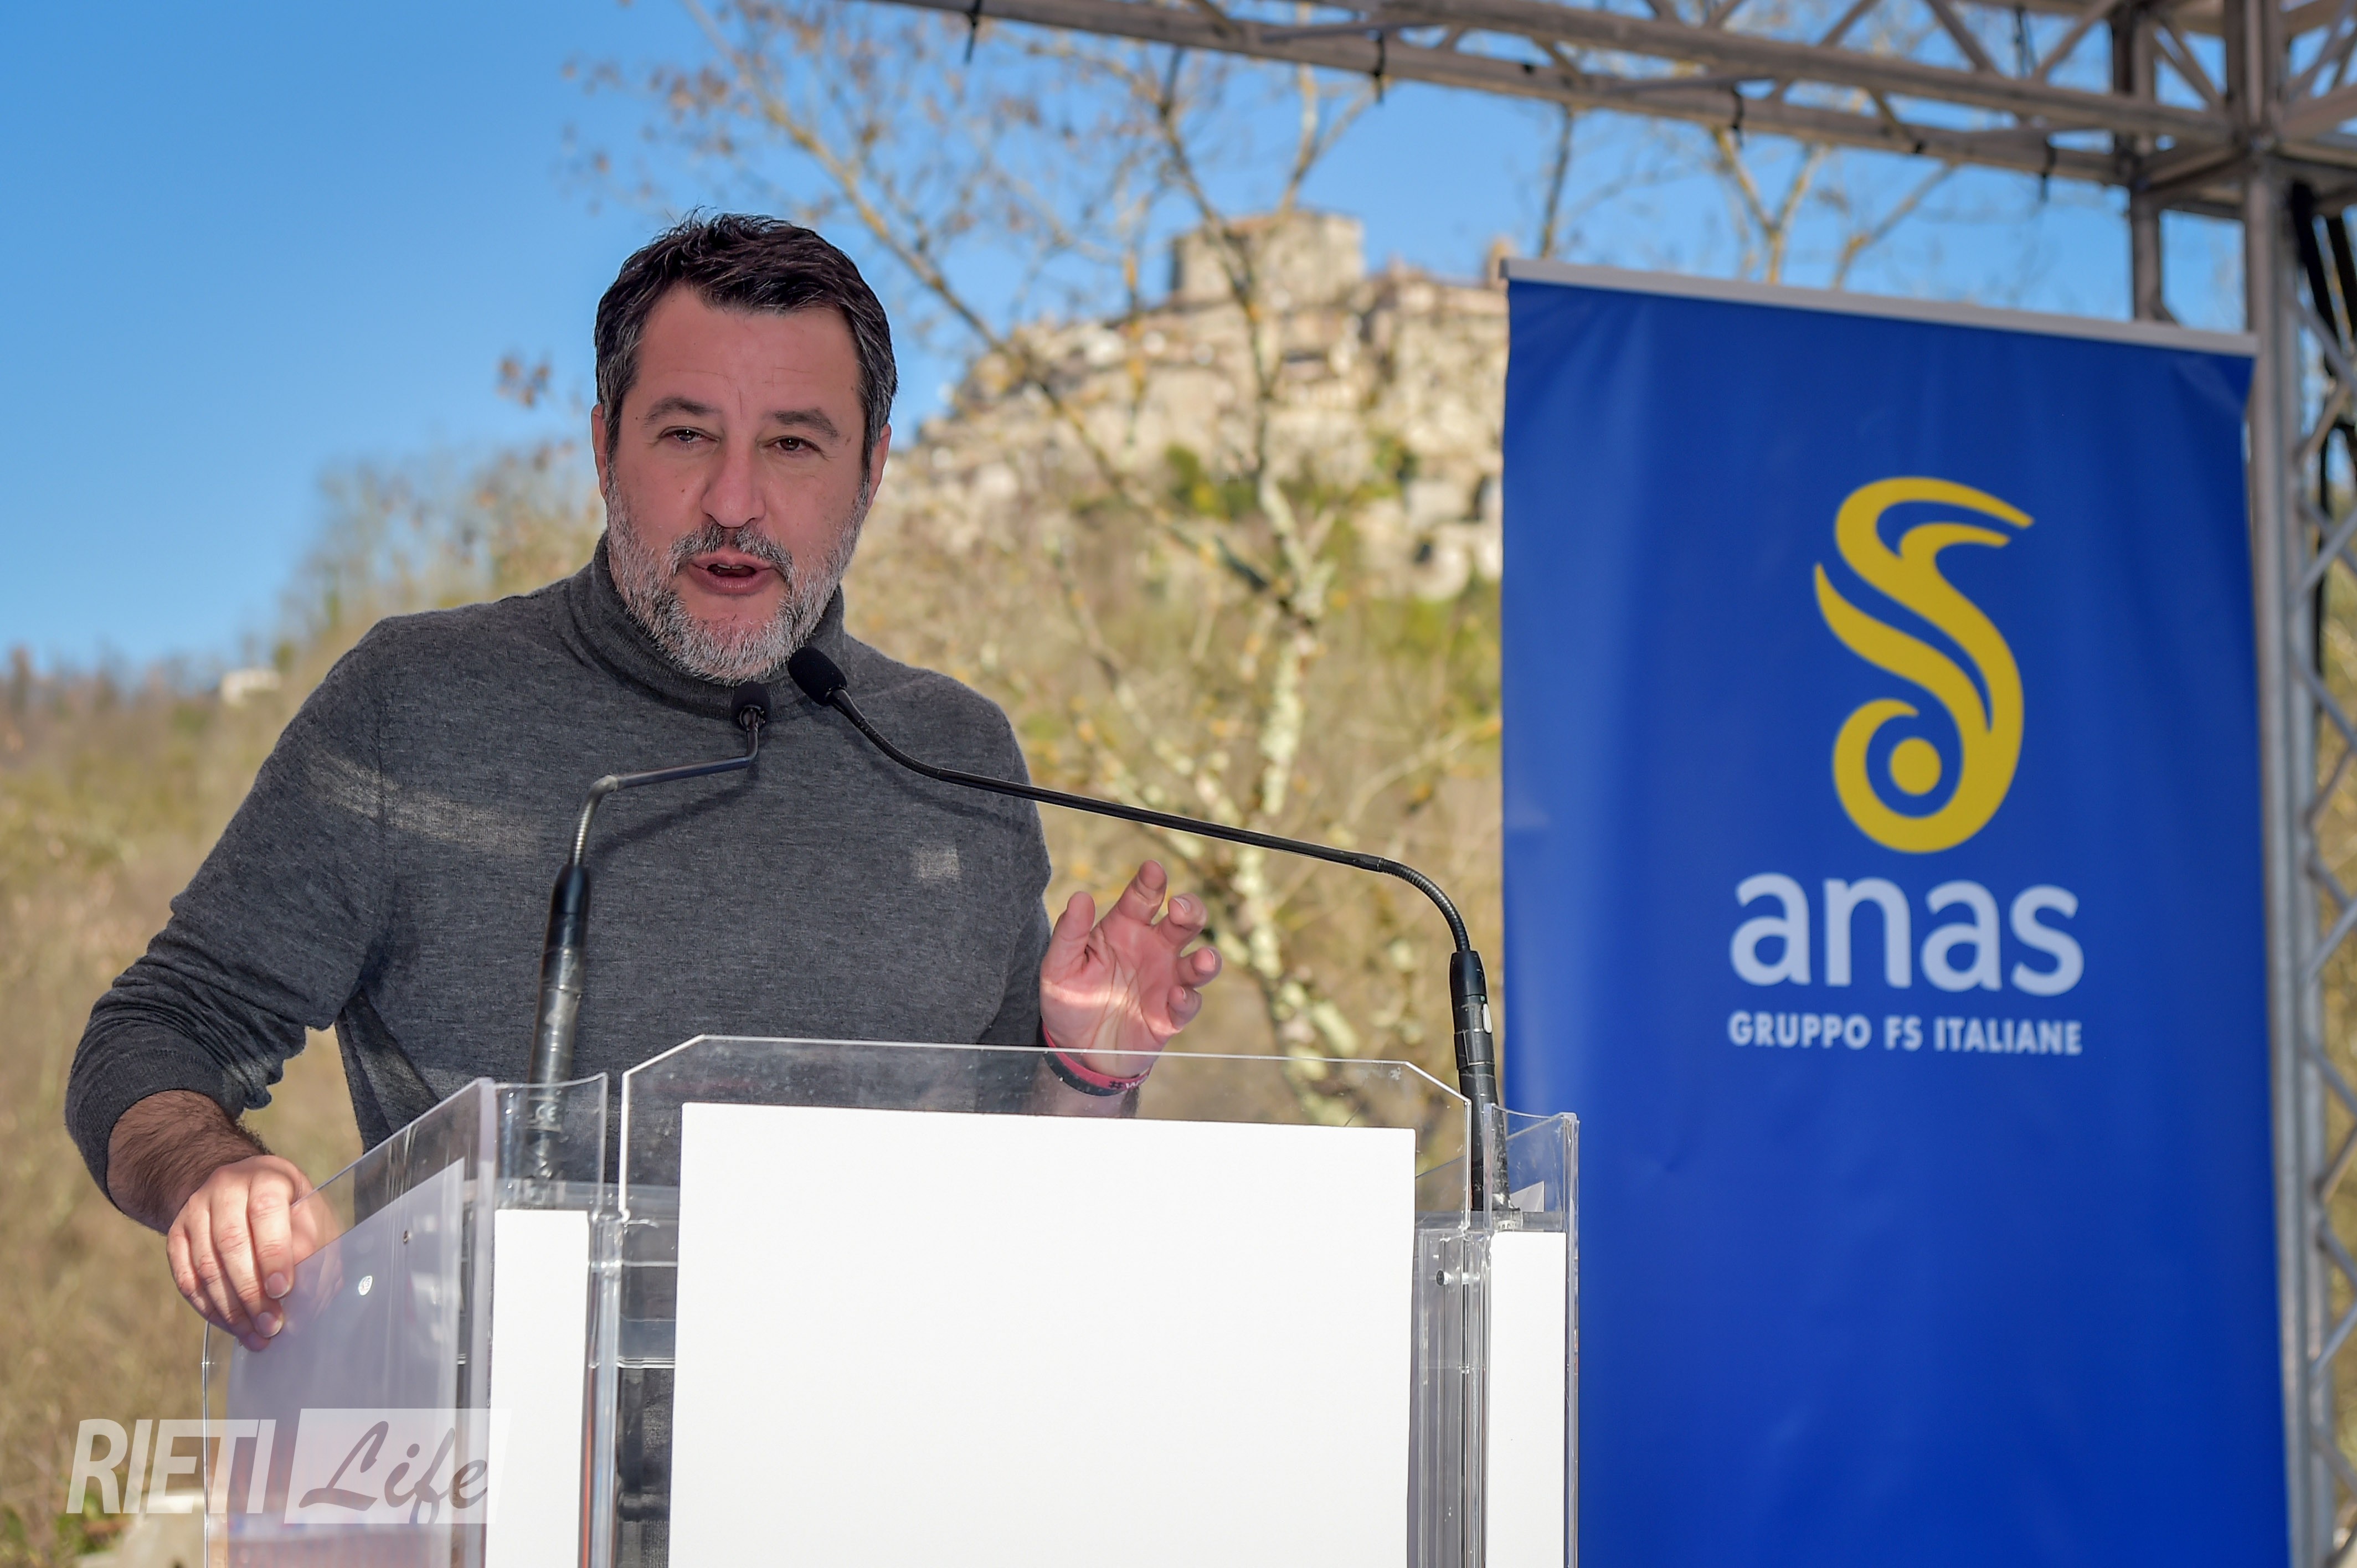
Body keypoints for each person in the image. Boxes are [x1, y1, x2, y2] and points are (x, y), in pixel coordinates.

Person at [64, 215, 1224, 1355]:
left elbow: (1023, 1204)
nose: (734, 501)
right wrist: (213, 1179)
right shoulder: (414, 702)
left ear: (871, 471)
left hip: (881, 1441)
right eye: (684, 435)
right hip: (503, 1446)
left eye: (794, 445)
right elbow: (156, 1031)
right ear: (603, 446)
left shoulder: (953, 750)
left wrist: (1085, 1071)